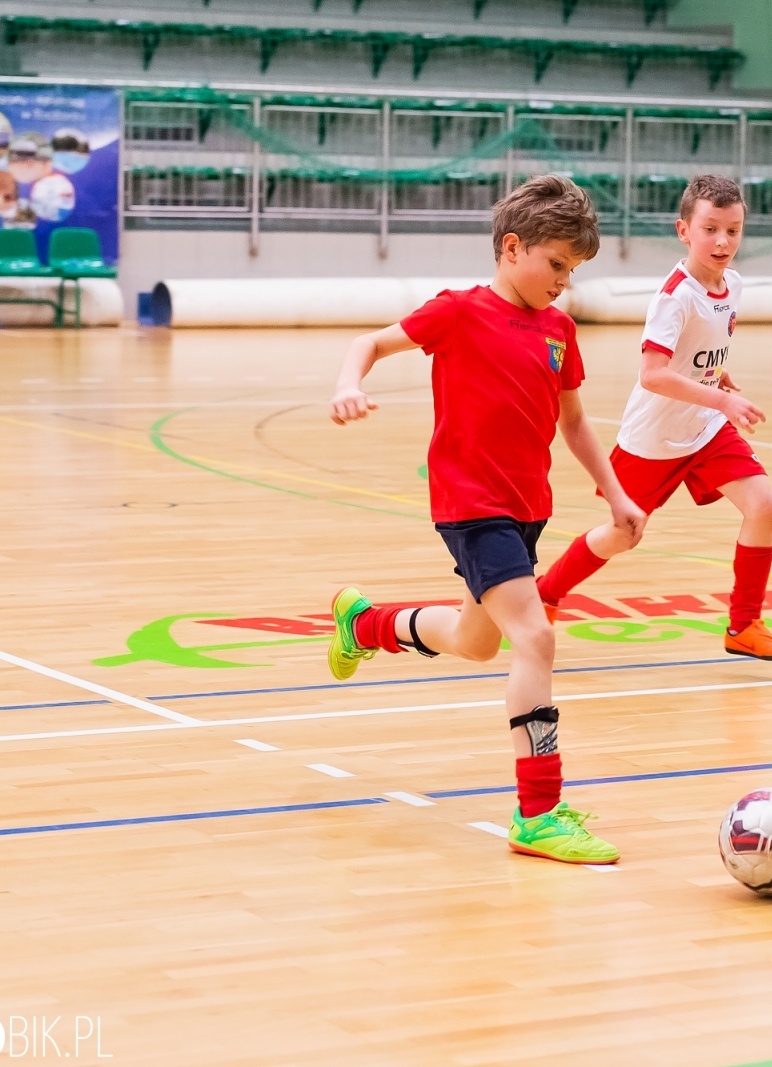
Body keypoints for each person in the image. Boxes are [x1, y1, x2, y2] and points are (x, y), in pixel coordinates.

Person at [325, 175, 646, 865]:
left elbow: (576, 423)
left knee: (476, 641)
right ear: (512, 247)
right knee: (535, 636)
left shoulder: (559, 330)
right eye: (556, 264)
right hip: (472, 506)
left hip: (527, 508)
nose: (564, 281)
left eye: (573, 270)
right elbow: (369, 343)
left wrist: (615, 492)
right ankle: (539, 813)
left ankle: (365, 622)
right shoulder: (458, 312)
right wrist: (350, 383)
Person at [534, 174, 772, 662]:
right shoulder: (675, 296)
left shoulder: (732, 283)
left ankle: (744, 625)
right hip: (654, 437)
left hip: (704, 429)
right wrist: (721, 401)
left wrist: (721, 377)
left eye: (733, 230)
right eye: (711, 228)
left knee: (764, 505)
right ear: (684, 231)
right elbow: (653, 374)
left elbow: (695, 353)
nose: (722, 241)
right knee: (624, 534)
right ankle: (545, 593)